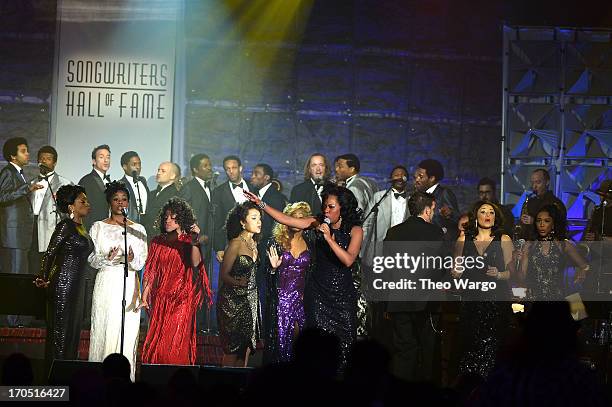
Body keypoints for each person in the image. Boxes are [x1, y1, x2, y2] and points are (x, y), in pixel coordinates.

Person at [244, 184, 364, 369]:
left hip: (342, 296)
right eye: (325, 205)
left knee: (346, 344)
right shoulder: (317, 222)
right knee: (320, 348)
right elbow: (285, 219)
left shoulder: (355, 230)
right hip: (318, 294)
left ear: (343, 208)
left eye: (331, 207)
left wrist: (329, 239)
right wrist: (261, 203)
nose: (326, 210)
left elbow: (348, 260)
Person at [87, 182, 148, 381]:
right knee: (105, 327)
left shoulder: (138, 229)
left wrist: (131, 260)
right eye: (116, 199)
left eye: (124, 199)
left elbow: (141, 262)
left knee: (126, 331)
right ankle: (99, 380)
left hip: (128, 282)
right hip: (106, 280)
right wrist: (108, 257)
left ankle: (124, 382)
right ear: (109, 203)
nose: (120, 203)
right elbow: (92, 260)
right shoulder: (98, 227)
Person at [140, 198, 212, 364]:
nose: (168, 220)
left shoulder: (188, 241)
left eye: (173, 218)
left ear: (182, 220)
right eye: (166, 217)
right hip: (161, 299)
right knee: (159, 344)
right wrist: (145, 295)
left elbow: (195, 263)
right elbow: (151, 270)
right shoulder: (157, 242)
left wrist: (195, 241)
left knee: (175, 343)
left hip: (181, 299)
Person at [383, 191, 445, 382]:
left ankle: (399, 393)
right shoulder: (434, 232)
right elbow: (439, 267)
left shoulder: (394, 232)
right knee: (427, 350)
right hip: (425, 301)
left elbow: (386, 268)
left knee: (403, 350)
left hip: (398, 300)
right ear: (427, 210)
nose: (433, 214)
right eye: (433, 210)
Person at [452, 200, 514, 378]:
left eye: (491, 212)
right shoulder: (463, 239)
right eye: (483, 211)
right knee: (470, 348)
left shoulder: (504, 239)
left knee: (494, 351)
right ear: (476, 216)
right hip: (471, 301)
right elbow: (455, 269)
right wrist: (456, 271)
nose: (487, 215)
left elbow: (512, 273)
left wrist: (499, 274)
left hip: (496, 302)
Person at [34, 185, 93, 371]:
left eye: (86, 200)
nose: (87, 204)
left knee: (72, 333)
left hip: (76, 288)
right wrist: (43, 276)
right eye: (82, 200)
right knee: (61, 333)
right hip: (63, 286)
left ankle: (66, 374)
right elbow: (50, 253)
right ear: (71, 207)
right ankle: (55, 379)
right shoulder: (65, 226)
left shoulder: (81, 228)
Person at [263, 202, 315, 363]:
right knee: (280, 343)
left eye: (301, 218)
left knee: (299, 345)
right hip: (280, 300)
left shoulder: (311, 243)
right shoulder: (276, 242)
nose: (296, 221)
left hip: (300, 300)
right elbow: (266, 275)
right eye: (293, 217)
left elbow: (312, 274)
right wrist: (272, 269)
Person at [217, 201, 262, 367]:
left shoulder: (255, 243)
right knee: (232, 349)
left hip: (249, 302)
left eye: (260, 218)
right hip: (232, 303)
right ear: (243, 222)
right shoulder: (235, 243)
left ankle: (241, 388)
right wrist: (238, 282)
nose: (259, 222)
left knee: (245, 348)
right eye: (254, 218)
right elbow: (223, 275)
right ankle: (225, 388)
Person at [517, 204, 589, 301]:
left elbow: (585, 266)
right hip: (534, 299)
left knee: (576, 312)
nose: (542, 224)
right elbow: (522, 277)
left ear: (554, 224)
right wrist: (520, 260)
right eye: (539, 221)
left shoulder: (564, 245)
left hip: (559, 298)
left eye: (546, 221)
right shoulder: (530, 245)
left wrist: (582, 273)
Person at [0, 137, 43, 279]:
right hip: (13, 236)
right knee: (14, 275)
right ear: (13, 156)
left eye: (27, 151)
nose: (27, 154)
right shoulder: (8, 172)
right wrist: (26, 188)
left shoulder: (19, 173)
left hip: (20, 236)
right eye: (23, 151)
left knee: (20, 274)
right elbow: (2, 197)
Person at [29, 146, 73, 268]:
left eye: (48, 159)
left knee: (49, 265)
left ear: (54, 163)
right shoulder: (31, 183)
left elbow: (71, 212)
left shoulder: (65, 183)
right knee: (33, 264)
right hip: (32, 228)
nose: (44, 161)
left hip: (51, 229)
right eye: (41, 158)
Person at [211, 155, 253, 263]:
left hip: (253, 242)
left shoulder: (254, 188)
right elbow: (217, 221)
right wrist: (219, 247)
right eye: (227, 169)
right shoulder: (218, 192)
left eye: (234, 168)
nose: (231, 171)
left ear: (240, 168)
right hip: (229, 243)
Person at [413, 159, 460, 239]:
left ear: (432, 178)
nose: (416, 180)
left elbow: (457, 219)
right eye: (415, 177)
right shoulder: (417, 195)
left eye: (420, 177)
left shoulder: (444, 193)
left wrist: (449, 214)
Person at [516, 168, 567, 241]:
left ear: (547, 182)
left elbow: (560, 226)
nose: (534, 186)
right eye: (532, 183)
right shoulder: (530, 201)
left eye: (538, 182)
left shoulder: (555, 203)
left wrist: (534, 221)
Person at [78, 145, 111, 231]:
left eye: (108, 157)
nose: (106, 160)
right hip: (92, 229)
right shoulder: (86, 181)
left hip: (107, 229)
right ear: (94, 161)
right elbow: (81, 209)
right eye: (101, 157)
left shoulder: (109, 182)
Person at [144, 161, 180, 240]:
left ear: (172, 176)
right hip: (147, 238)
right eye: (158, 170)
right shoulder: (151, 193)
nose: (159, 173)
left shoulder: (176, 195)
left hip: (163, 240)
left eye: (163, 171)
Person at [118, 151, 149, 224]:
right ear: (124, 167)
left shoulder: (143, 181)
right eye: (134, 164)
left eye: (139, 164)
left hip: (146, 226)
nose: (138, 167)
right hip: (129, 225)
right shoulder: (120, 185)